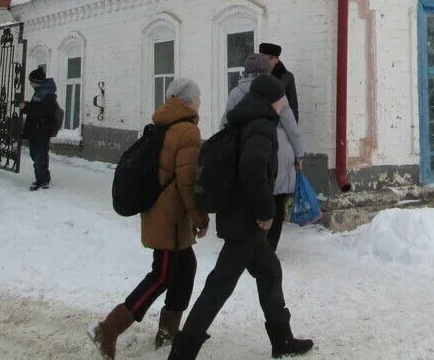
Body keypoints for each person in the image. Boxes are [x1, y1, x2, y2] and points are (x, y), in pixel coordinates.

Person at [169, 75, 313, 359]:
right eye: (281, 97)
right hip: (245, 220)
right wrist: (265, 211)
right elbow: (252, 166)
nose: (284, 102)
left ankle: (282, 340)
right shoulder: (261, 126)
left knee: (270, 271)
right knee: (219, 286)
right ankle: (183, 351)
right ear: (273, 100)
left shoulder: (244, 119)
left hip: (237, 215)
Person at [89, 78, 209, 359]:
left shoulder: (162, 125)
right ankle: (108, 329)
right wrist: (200, 217)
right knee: (162, 275)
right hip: (169, 219)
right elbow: (187, 182)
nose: (200, 102)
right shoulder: (187, 131)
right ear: (187, 101)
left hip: (161, 213)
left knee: (186, 267)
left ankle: (168, 332)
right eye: (198, 97)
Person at [225, 54, 304, 252]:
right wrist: (299, 155)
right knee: (275, 201)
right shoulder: (275, 92)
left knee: (251, 195)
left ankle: (253, 246)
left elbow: (226, 125)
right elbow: (291, 127)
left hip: (247, 151)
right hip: (278, 151)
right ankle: (268, 249)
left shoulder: (236, 93)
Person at [20, 67, 57, 191]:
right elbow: (38, 108)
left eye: (31, 81)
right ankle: (41, 178)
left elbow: (43, 111)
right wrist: (28, 105)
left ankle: (42, 180)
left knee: (40, 155)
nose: (30, 84)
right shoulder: (40, 91)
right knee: (35, 154)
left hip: (41, 130)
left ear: (37, 81)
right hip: (36, 129)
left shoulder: (48, 94)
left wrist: (26, 108)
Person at [259, 42, 299, 122]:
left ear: (277, 59)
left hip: (280, 126)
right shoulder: (255, 76)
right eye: (264, 58)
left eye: (270, 58)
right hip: (258, 127)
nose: (266, 61)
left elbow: (293, 106)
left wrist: (293, 128)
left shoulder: (287, 77)